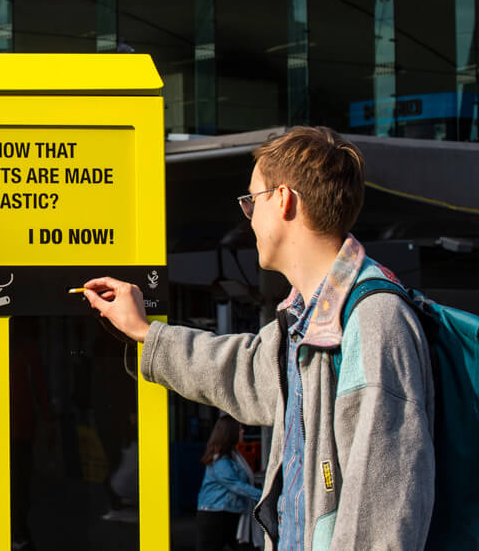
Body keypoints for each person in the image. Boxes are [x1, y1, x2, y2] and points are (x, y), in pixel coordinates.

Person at [84, 126, 435, 549]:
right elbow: (246, 371)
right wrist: (143, 332)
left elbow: (383, 517)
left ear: (284, 199)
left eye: (252, 200)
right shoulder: (309, 317)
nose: (247, 217)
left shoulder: (375, 321)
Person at [195, 416, 261, 551]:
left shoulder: (234, 456)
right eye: (240, 429)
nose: (243, 432)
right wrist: (263, 495)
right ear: (230, 432)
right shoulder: (220, 460)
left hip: (231, 512)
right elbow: (235, 484)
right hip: (214, 515)